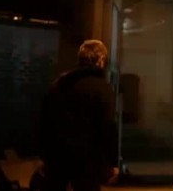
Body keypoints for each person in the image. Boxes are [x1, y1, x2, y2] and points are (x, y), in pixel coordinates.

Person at [38, 39, 119, 191]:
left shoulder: (59, 84)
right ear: (101, 60)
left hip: (58, 158)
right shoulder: (102, 88)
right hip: (87, 162)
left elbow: (44, 121)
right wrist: (111, 162)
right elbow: (108, 126)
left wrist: (45, 156)